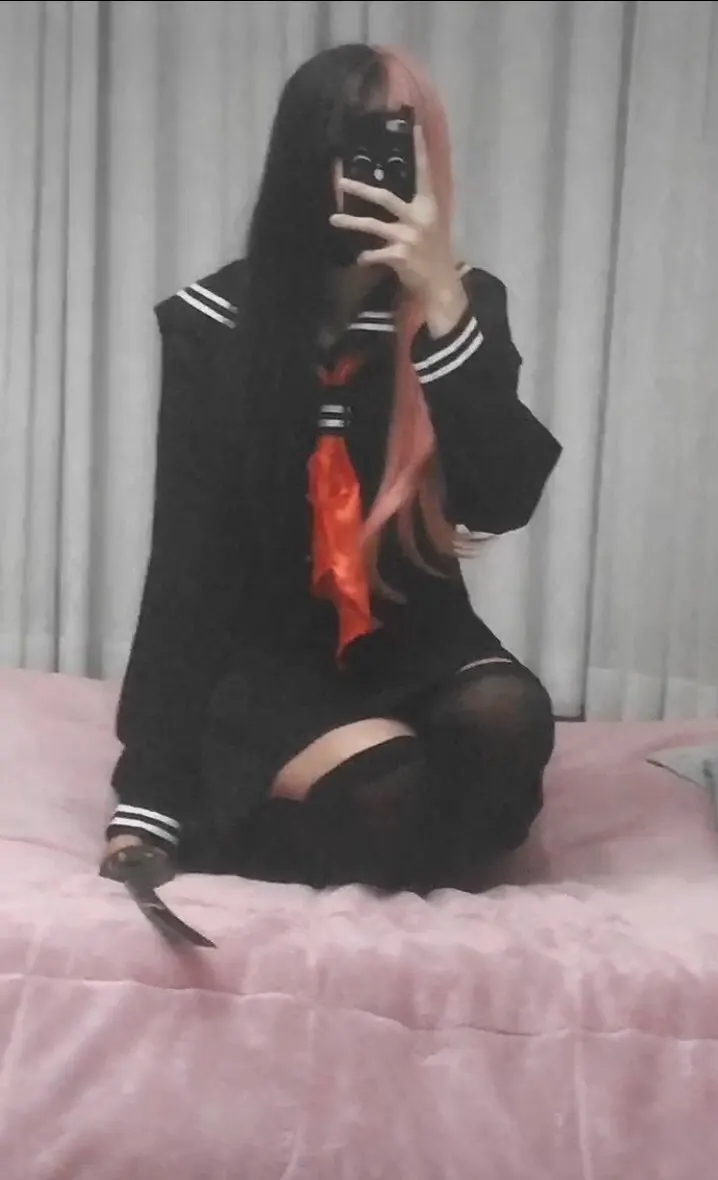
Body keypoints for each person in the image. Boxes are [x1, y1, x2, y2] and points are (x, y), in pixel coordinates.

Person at [101, 43, 562, 903]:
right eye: (350, 141)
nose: (372, 172)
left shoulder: (465, 306)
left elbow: (502, 498)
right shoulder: (216, 325)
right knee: (393, 786)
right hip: (269, 656)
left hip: (417, 638)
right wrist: (149, 799)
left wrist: (442, 310)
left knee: (510, 722)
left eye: (397, 143)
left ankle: (376, 819)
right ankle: (248, 816)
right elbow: (188, 566)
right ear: (303, 156)